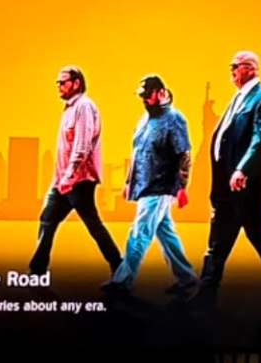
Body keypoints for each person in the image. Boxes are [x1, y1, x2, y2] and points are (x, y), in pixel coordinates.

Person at [196, 48, 261, 306]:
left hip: (246, 187)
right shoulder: (238, 98)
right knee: (219, 242)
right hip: (225, 186)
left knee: (256, 237)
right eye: (231, 66)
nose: (231, 70)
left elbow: (260, 138)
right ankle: (205, 294)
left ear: (251, 68)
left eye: (236, 65)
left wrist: (242, 169)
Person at [26, 64, 118, 278]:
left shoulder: (84, 107)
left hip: (79, 180)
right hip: (62, 181)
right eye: (57, 82)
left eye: (63, 82)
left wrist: (69, 176)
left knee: (92, 224)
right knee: (47, 219)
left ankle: (119, 266)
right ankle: (37, 270)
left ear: (76, 83)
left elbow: (82, 145)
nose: (59, 86)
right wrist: (59, 179)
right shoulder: (68, 108)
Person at [107, 73, 194, 292]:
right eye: (142, 96)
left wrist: (182, 187)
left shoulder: (175, 119)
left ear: (162, 93)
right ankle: (187, 278)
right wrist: (129, 181)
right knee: (165, 232)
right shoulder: (143, 121)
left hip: (161, 186)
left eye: (148, 95)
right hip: (144, 186)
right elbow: (137, 153)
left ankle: (121, 282)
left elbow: (184, 154)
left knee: (139, 232)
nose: (145, 100)